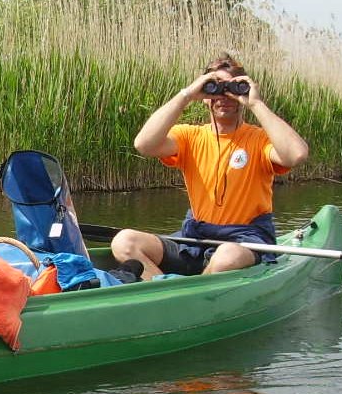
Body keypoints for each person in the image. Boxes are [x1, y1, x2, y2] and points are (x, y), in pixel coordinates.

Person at [109, 53, 309, 280]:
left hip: (244, 239)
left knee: (226, 257)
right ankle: (167, 289)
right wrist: (187, 95)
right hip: (196, 237)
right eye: (216, 88)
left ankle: (190, 293)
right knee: (124, 242)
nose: (224, 96)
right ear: (205, 96)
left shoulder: (260, 139)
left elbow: (296, 155)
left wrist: (256, 103)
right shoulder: (189, 136)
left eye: (232, 88)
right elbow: (144, 145)